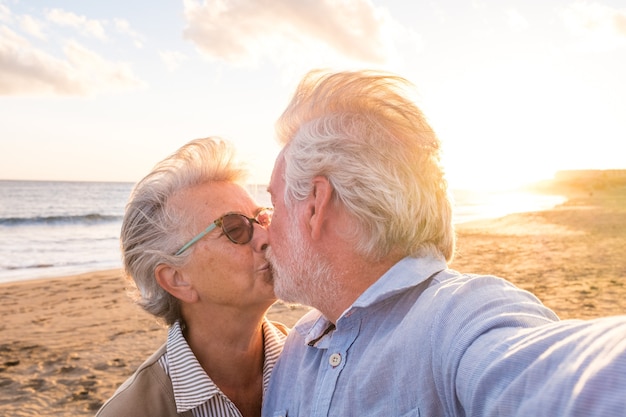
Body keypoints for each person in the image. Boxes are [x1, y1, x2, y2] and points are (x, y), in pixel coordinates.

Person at [262, 70, 626, 416]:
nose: (265, 230)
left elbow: (557, 377)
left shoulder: (459, 316)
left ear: (315, 204)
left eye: (274, 205)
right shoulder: (293, 352)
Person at [96, 137, 287, 417]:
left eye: (262, 219)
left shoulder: (320, 362)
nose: (265, 237)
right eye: (234, 229)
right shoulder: (132, 411)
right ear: (177, 279)